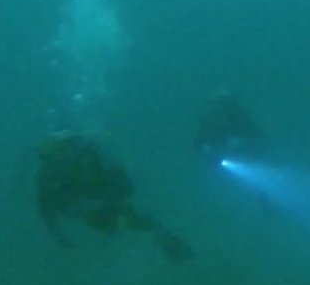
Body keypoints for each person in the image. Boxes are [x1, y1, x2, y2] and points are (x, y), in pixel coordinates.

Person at [35, 130, 195, 262]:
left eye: (67, 146)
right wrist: (57, 233)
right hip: (92, 213)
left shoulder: (90, 157)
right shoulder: (48, 174)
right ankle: (170, 250)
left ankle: (175, 251)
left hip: (109, 205)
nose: (64, 154)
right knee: (125, 226)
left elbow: (124, 184)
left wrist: (109, 196)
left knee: (133, 224)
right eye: (60, 149)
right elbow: (46, 205)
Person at [193, 90, 267, 163]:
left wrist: (242, 142)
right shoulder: (209, 121)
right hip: (219, 158)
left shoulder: (240, 118)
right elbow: (198, 143)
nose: (220, 109)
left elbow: (257, 137)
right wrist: (205, 148)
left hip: (246, 156)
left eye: (224, 104)